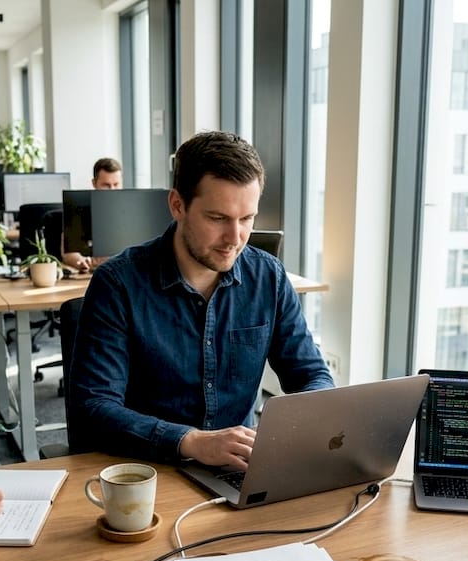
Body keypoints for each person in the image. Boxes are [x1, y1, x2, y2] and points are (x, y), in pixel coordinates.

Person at [68, 131, 333, 469]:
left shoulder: (269, 277)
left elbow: (312, 375)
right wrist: (190, 442)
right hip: (146, 471)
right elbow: (93, 408)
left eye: (247, 219)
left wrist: (302, 423)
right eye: (218, 218)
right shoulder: (118, 284)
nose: (234, 239)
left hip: (238, 469)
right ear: (177, 205)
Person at [61, 157, 124, 272]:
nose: (112, 190)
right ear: (94, 183)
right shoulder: (78, 210)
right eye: (106, 185)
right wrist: (81, 261)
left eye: (116, 184)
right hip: (92, 275)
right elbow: (69, 254)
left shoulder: (131, 211)